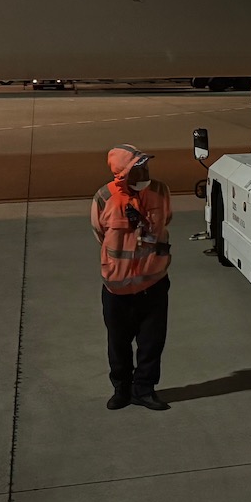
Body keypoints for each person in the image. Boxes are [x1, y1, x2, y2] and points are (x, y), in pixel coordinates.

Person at [90, 144, 173, 411]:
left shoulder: (160, 191)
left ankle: (145, 390)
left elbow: (166, 221)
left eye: (146, 166)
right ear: (122, 173)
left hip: (154, 283)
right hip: (118, 290)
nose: (145, 171)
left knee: (151, 343)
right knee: (118, 343)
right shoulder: (104, 197)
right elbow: (99, 233)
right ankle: (122, 390)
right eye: (138, 168)